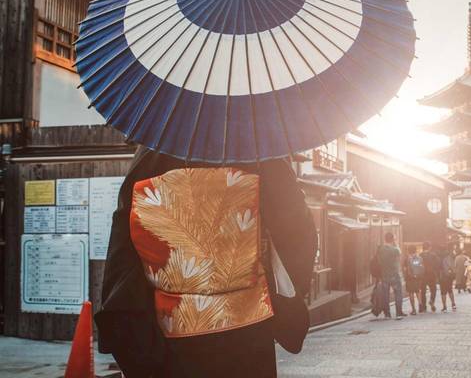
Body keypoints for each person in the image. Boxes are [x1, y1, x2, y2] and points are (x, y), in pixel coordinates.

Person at [95, 148, 317, 378]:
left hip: (172, 333)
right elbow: (298, 232)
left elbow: (124, 243)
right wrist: (284, 298)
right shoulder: (261, 152)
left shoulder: (152, 152)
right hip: (247, 335)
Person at [378, 232, 407, 320]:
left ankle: (387, 314)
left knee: (385, 295)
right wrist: (396, 244)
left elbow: (379, 261)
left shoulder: (381, 249)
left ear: (385, 239)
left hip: (384, 275)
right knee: (398, 293)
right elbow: (400, 252)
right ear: (393, 239)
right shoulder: (394, 249)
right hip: (394, 274)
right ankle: (398, 313)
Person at [419, 242, 441, 312]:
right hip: (432, 274)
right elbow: (438, 263)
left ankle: (424, 306)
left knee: (423, 291)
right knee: (433, 289)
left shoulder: (420, 255)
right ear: (429, 247)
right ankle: (432, 300)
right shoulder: (433, 255)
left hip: (423, 275)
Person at [402, 245, 424, 315]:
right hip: (418, 277)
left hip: (410, 278)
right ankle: (420, 304)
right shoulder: (420, 258)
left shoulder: (407, 259)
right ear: (415, 250)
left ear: (408, 251)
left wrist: (405, 277)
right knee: (418, 291)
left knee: (411, 293)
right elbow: (422, 267)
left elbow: (405, 269)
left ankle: (414, 310)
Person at [438, 246, 457, 312]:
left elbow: (439, 268)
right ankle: (453, 304)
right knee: (450, 290)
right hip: (449, 277)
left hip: (443, 277)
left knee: (443, 292)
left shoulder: (440, 259)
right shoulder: (450, 258)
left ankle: (445, 307)